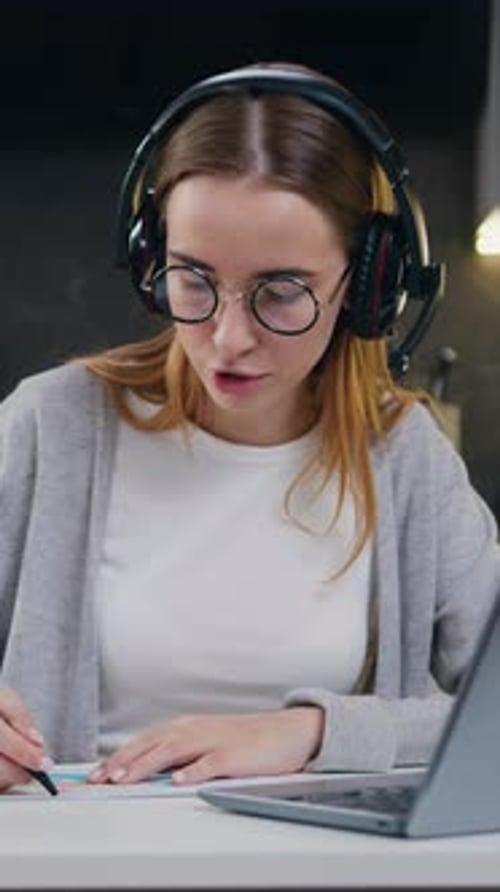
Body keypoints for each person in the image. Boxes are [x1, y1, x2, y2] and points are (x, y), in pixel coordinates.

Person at [0, 63, 499, 794]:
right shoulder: (52, 425)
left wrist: (315, 733)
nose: (229, 338)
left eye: (283, 293)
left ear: (366, 287)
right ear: (150, 257)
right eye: (193, 279)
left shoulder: (404, 455)